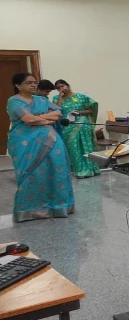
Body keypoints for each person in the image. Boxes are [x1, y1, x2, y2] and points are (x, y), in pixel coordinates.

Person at [7, 73, 74, 222]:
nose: (33, 85)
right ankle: (30, 210)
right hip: (25, 142)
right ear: (18, 85)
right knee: (31, 174)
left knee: (57, 169)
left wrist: (39, 119)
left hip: (51, 140)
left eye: (35, 82)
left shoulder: (42, 99)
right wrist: (43, 118)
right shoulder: (14, 101)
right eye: (29, 83)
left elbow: (58, 113)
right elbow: (27, 119)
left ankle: (59, 206)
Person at [52, 79, 100, 179]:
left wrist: (79, 112)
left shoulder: (80, 96)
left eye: (63, 86)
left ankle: (92, 169)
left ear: (67, 85)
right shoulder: (56, 98)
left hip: (82, 124)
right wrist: (60, 98)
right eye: (58, 88)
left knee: (87, 147)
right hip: (67, 127)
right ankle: (80, 170)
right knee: (74, 149)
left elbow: (91, 109)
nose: (61, 88)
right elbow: (56, 110)